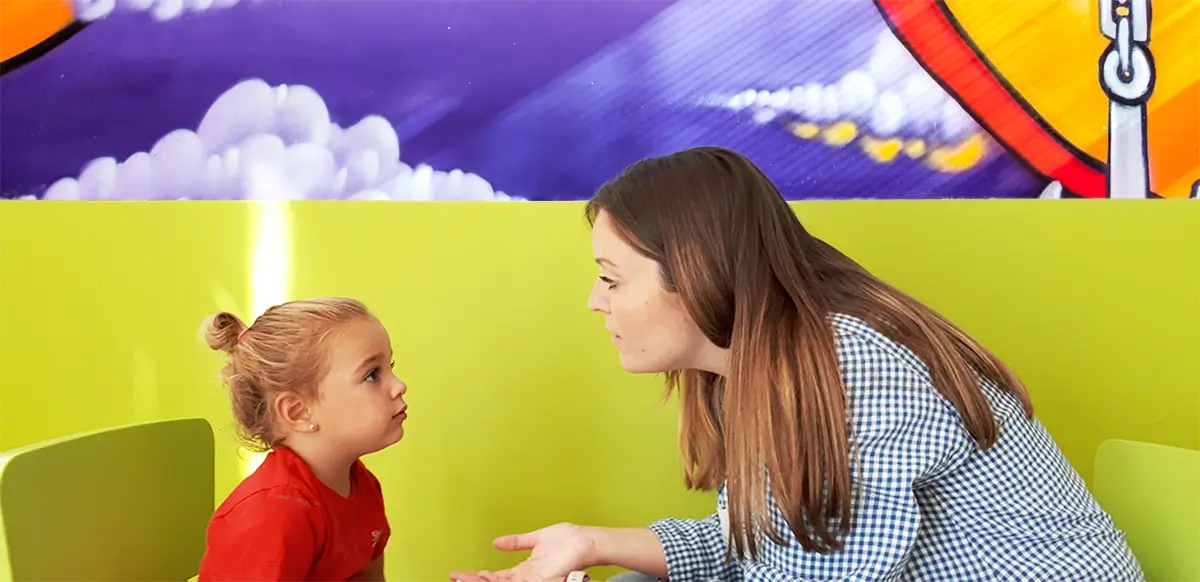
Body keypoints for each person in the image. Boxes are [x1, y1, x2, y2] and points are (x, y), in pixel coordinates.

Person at [451, 147, 1143, 582]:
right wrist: (590, 542)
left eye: (611, 277)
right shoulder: (768, 371)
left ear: (692, 277)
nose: (594, 303)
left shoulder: (852, 366)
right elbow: (754, 545)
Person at [198, 297, 407, 581]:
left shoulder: (362, 486)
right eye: (372, 375)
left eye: (390, 367)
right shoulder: (270, 516)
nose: (399, 385)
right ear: (298, 412)